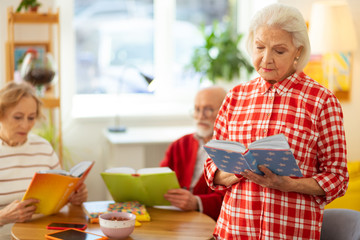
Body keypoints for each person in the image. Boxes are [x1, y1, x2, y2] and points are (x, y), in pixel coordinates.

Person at [203, 3, 349, 239]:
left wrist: (288, 184)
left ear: (298, 51)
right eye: (260, 47)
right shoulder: (236, 97)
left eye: (279, 51)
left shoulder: (322, 101)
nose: (266, 59)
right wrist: (240, 171)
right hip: (233, 232)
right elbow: (211, 169)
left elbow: (338, 178)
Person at [0, 82, 88, 238]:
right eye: (18, 117)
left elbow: (61, 196)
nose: (25, 125)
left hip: (45, 232)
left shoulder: (43, 147)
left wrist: (73, 197)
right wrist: (3, 216)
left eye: (31, 117)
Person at [160, 86, 227, 221]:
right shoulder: (179, 144)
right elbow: (160, 180)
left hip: (209, 222)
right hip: (174, 216)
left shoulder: (231, 150)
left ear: (225, 112)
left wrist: (197, 202)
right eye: (197, 109)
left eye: (208, 110)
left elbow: (233, 199)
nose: (201, 116)